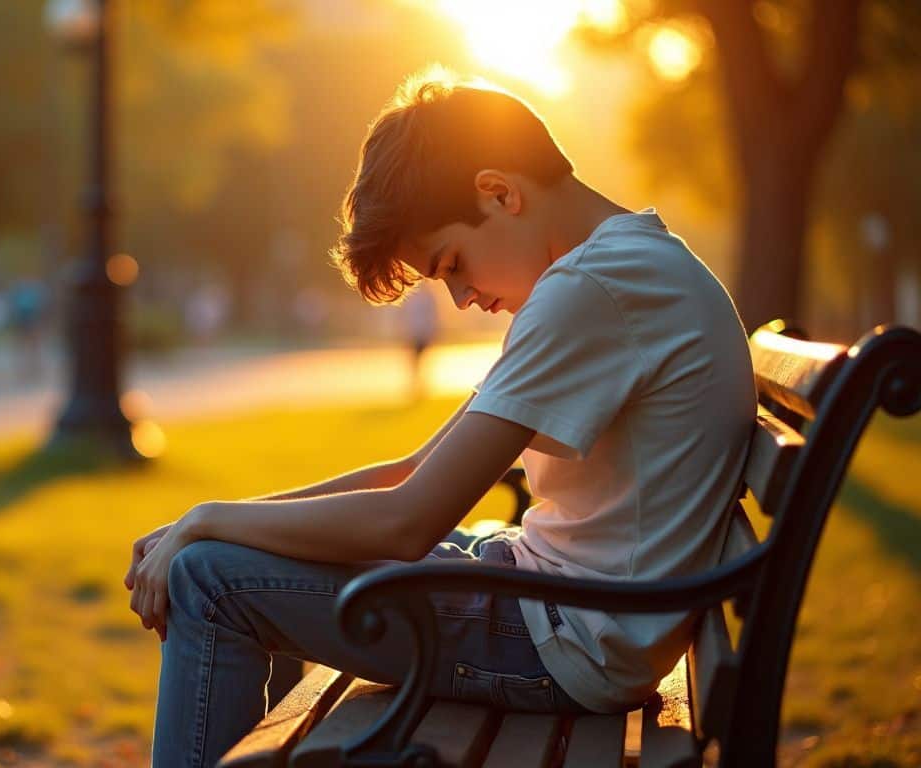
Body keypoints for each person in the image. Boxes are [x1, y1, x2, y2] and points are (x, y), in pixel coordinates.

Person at [125, 72, 755, 767]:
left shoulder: (590, 290)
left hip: (565, 643)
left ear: (500, 192)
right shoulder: (621, 269)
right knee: (227, 557)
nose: (460, 298)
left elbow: (408, 519)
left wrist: (208, 523)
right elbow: (412, 471)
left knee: (210, 582)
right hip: (557, 606)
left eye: (452, 264)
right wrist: (210, 518)